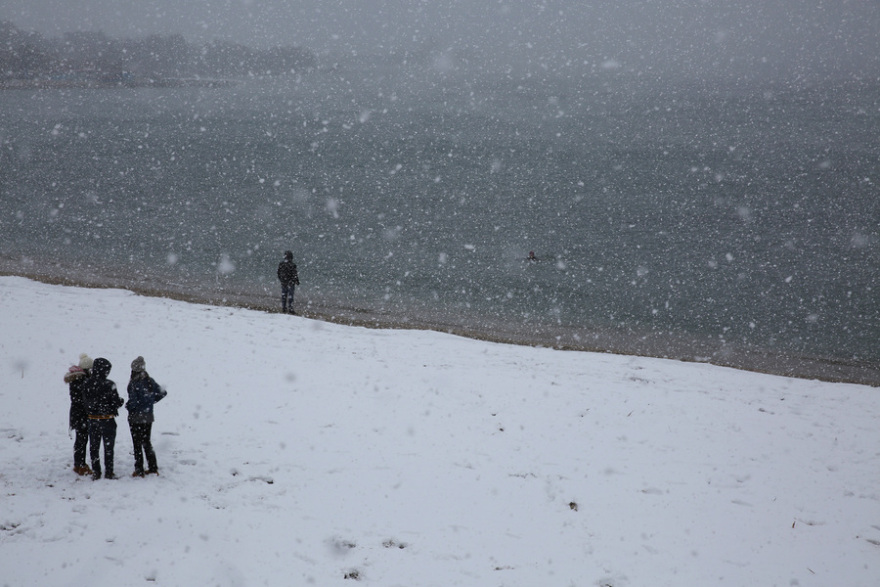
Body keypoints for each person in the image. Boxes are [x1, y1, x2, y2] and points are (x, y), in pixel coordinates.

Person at [81, 357, 124, 480]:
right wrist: (120, 402)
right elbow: (115, 402)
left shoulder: (86, 383)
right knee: (108, 447)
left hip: (92, 419)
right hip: (107, 420)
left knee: (94, 447)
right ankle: (109, 472)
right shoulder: (110, 384)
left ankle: (96, 471)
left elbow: (85, 402)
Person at [126, 356, 167, 477]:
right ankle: (153, 468)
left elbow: (133, 402)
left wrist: (128, 406)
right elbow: (163, 393)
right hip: (148, 416)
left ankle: (139, 470)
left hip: (135, 418)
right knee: (147, 442)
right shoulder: (150, 381)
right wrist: (151, 401)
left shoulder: (134, 383)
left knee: (137, 444)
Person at [64, 353, 94, 476]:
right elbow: (85, 399)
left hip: (76, 414)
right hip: (83, 414)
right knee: (82, 440)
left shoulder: (75, 380)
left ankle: (78, 463)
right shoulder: (83, 381)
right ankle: (81, 465)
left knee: (80, 440)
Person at [277, 250, 300, 314]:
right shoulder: (292, 265)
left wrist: (281, 280)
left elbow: (278, 273)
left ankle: (284, 308)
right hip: (290, 283)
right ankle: (290, 309)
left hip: (283, 282)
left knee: (284, 295)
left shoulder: (281, 264)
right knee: (290, 296)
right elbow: (295, 274)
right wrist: (297, 281)